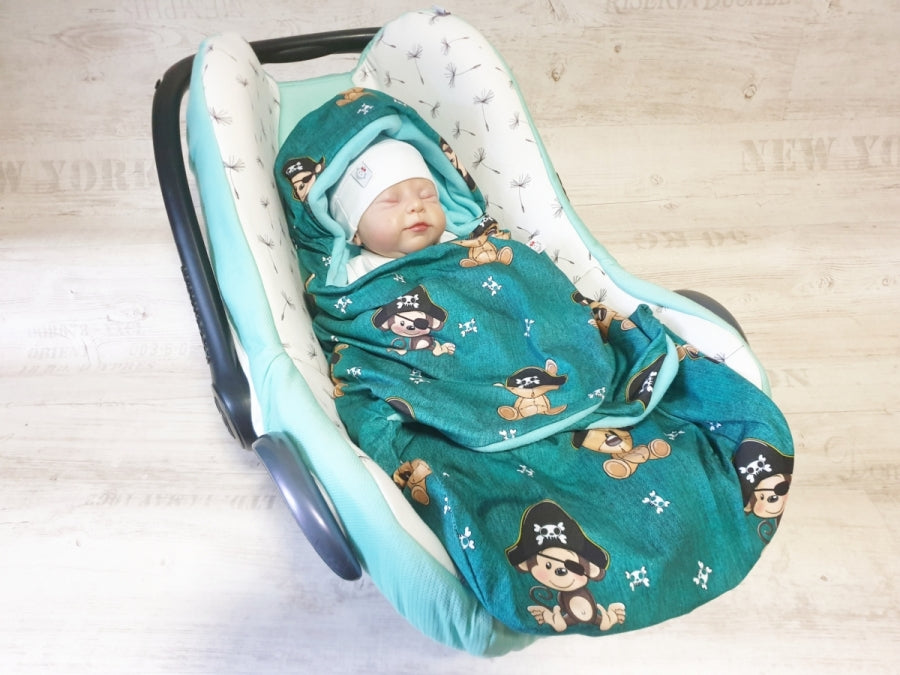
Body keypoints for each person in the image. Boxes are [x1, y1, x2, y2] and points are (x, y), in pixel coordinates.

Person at [328, 137, 458, 283]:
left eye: (426, 196)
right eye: (392, 201)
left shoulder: (458, 245)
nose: (416, 205)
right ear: (356, 234)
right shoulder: (356, 275)